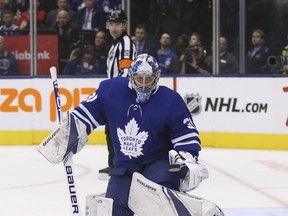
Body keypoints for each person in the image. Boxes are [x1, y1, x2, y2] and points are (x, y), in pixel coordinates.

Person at [38, 54, 210, 215]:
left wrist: (186, 159)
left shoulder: (171, 100)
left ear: (156, 77)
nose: (143, 84)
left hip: (159, 162)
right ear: (130, 76)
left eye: (148, 79)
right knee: (114, 208)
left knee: (158, 201)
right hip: (125, 166)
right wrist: (69, 132)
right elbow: (86, 114)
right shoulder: (111, 91)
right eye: (139, 78)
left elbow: (186, 134)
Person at [99, 9, 137, 179]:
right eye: (111, 24)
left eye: (118, 24)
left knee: (117, 129)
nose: (114, 28)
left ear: (124, 26)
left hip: (120, 93)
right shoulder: (115, 43)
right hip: (114, 92)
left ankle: (119, 165)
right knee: (111, 129)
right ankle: (114, 163)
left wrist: (117, 93)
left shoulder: (125, 43)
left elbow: (126, 70)